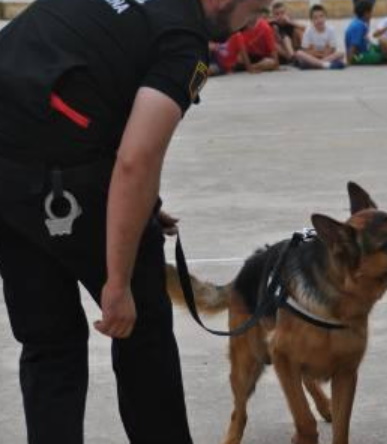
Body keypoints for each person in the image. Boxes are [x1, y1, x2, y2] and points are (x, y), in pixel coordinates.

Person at [0, 0, 269, 443]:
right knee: (143, 338)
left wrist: (140, 202)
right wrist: (118, 284)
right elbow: (136, 161)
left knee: (49, 346)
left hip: (8, 176)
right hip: (65, 182)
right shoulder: (183, 41)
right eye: (255, 11)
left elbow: (88, 76)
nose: (254, 24)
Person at [210, 18, 280, 75]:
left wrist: (251, 68)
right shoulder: (237, 29)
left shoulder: (264, 27)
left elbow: (274, 57)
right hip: (218, 60)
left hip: (226, 63)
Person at [295, 5, 346, 69]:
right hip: (312, 57)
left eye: (321, 16)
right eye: (315, 18)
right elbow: (306, 50)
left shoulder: (330, 30)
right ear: (311, 20)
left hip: (327, 57)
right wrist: (316, 53)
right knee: (299, 53)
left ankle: (318, 64)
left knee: (341, 53)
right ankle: (325, 65)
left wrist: (319, 54)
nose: (319, 20)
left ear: (325, 17)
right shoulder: (308, 31)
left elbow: (332, 49)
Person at [345, 0, 387, 65]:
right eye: (371, 13)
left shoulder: (359, 22)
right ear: (366, 13)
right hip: (358, 55)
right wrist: (349, 62)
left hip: (364, 49)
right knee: (380, 57)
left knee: (379, 48)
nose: (372, 15)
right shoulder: (359, 26)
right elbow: (353, 45)